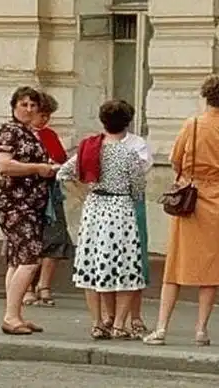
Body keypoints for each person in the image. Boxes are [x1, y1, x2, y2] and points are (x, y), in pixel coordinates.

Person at [143, 75, 219, 347]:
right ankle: (201, 329)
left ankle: (161, 328)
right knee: (211, 270)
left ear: (205, 97)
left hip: (192, 199)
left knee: (175, 266)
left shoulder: (192, 125)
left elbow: (175, 160)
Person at [57, 100, 146, 340]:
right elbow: (138, 188)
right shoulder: (129, 154)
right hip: (120, 209)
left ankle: (97, 323)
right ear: (127, 123)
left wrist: (82, 194)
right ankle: (118, 324)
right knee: (126, 267)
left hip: (94, 207)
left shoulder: (90, 148)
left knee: (92, 264)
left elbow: (63, 173)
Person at [0, 86, 58, 335]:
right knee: (30, 260)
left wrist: (49, 168)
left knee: (17, 260)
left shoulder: (29, 133)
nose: (29, 109)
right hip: (15, 204)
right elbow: (3, 165)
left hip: (30, 204)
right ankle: (11, 316)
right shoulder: (9, 132)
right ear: (14, 107)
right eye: (24, 104)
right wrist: (38, 168)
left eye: (33, 105)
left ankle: (15, 313)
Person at [98, 119, 154, 338]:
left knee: (134, 259)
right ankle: (110, 316)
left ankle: (134, 316)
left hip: (130, 203)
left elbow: (140, 173)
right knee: (106, 258)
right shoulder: (97, 143)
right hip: (109, 204)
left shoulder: (136, 143)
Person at [21, 91, 73, 308]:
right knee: (29, 240)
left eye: (47, 116)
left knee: (54, 238)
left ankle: (44, 286)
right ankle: (26, 287)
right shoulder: (20, 135)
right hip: (27, 194)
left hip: (50, 192)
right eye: (42, 115)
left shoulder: (49, 135)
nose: (45, 120)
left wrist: (56, 165)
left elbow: (62, 159)